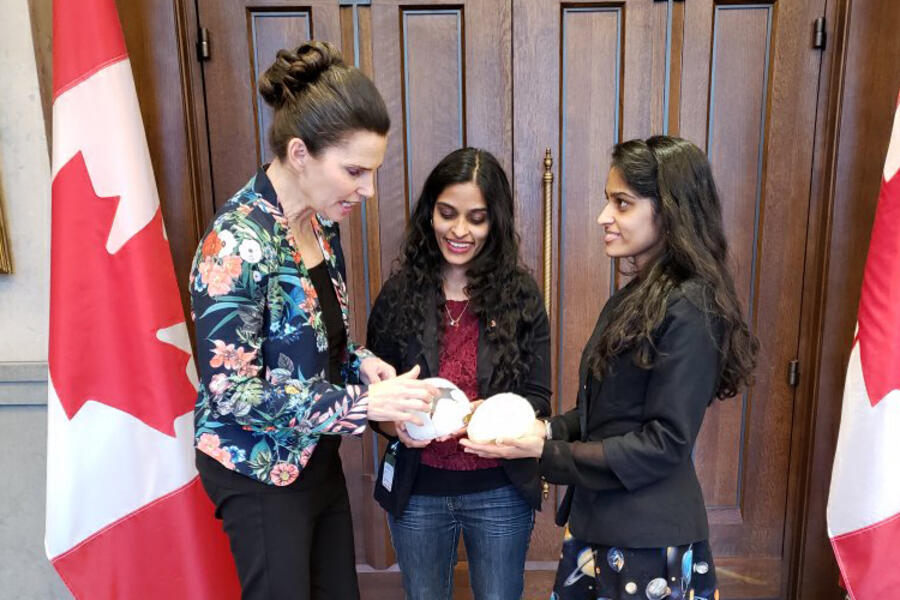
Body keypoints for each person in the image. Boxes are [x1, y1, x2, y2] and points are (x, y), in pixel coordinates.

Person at [189, 41, 438, 600]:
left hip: (314, 452)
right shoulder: (234, 243)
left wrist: (366, 365)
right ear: (299, 153)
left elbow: (328, 339)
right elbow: (233, 394)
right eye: (355, 171)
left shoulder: (320, 226)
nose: (368, 190)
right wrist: (360, 406)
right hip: (257, 470)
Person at [461, 136, 759, 600]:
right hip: (601, 525)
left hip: (647, 540)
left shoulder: (691, 305)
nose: (604, 216)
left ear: (670, 210)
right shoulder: (639, 296)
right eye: (608, 201)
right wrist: (539, 430)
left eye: (622, 203)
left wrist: (546, 454)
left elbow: (665, 443)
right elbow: (604, 411)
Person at [366, 147, 552, 600]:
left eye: (477, 218)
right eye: (447, 213)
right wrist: (397, 427)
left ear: (496, 222)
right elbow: (373, 399)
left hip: (499, 489)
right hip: (419, 489)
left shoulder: (521, 296)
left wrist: (497, 417)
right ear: (430, 212)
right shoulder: (399, 294)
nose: (460, 230)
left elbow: (539, 397)